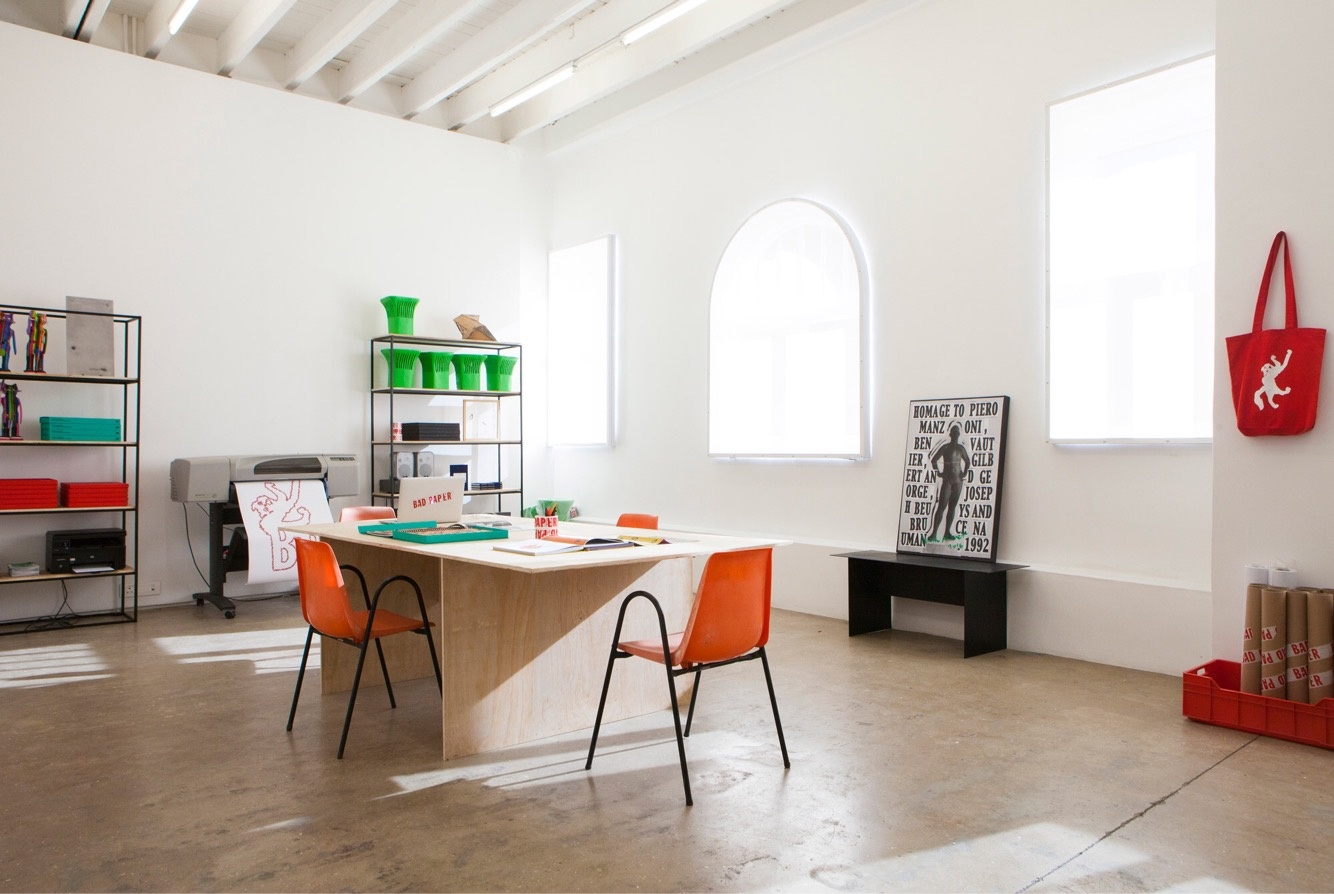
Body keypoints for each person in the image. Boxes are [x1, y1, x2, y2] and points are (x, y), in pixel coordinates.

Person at [927, 421, 971, 542]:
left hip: (958, 480)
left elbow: (967, 461)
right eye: (954, 432)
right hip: (947, 480)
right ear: (951, 434)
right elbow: (934, 460)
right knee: (941, 506)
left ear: (959, 434)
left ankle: (947, 532)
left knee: (952, 507)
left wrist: (964, 473)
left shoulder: (961, 448)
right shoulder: (945, 447)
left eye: (958, 432)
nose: (956, 434)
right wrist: (939, 472)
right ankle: (934, 533)